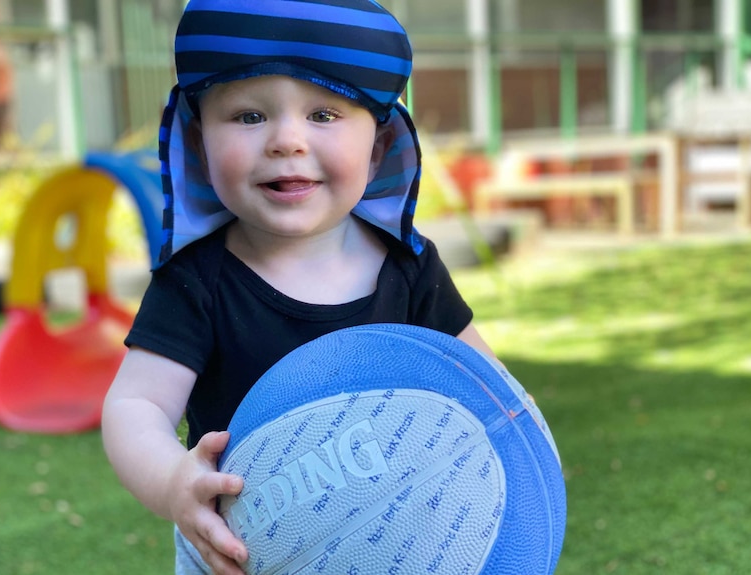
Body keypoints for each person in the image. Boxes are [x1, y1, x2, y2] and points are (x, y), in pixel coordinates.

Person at [101, 1, 499, 574]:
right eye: (247, 116)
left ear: (380, 147)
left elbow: (487, 388)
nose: (287, 140)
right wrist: (172, 482)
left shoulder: (410, 268)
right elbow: (136, 404)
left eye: (324, 115)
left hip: (395, 541)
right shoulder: (196, 281)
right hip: (241, 554)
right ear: (198, 145)